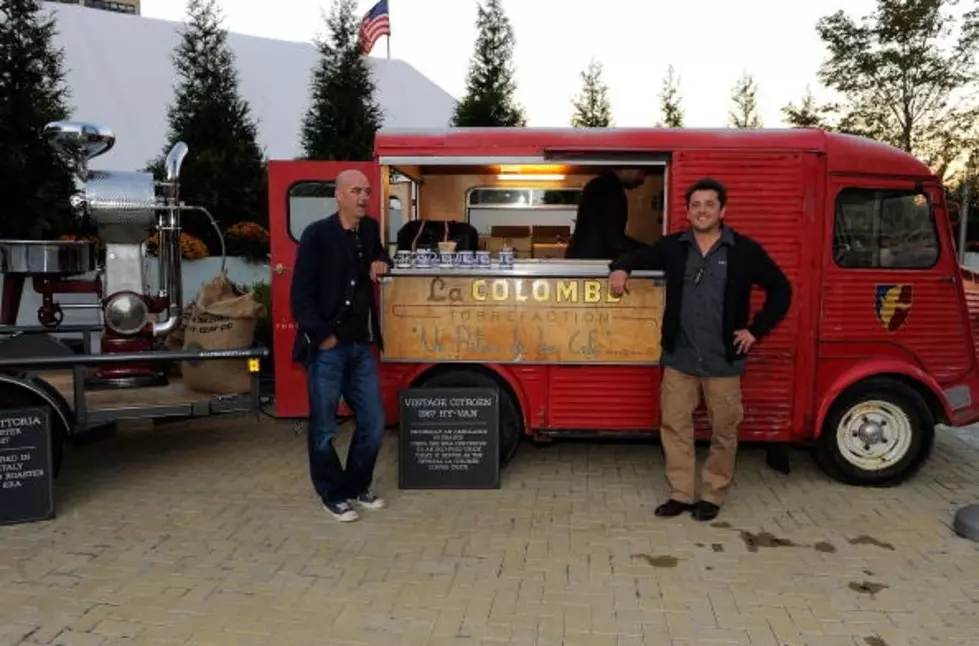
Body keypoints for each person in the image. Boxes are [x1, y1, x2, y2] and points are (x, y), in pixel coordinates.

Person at [608, 177, 791, 521]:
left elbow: (781, 289)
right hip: (681, 358)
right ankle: (680, 494)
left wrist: (755, 330)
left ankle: (713, 495)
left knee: (724, 432)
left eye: (709, 204)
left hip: (724, 360)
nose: (702, 210)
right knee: (675, 427)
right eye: (695, 205)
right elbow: (638, 253)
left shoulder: (744, 250)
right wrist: (620, 267)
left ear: (723, 210)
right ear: (688, 211)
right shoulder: (674, 246)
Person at [290, 168, 393, 522]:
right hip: (329, 348)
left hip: (361, 347)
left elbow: (381, 255)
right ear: (339, 195)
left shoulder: (368, 229)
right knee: (324, 427)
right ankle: (331, 493)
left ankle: (356, 485)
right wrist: (324, 338)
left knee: (374, 423)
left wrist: (383, 260)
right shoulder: (317, 235)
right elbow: (300, 296)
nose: (364, 197)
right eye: (356, 191)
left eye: (366, 191)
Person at [565, 168, 648, 259]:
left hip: (584, 256)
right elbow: (614, 239)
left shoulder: (601, 185)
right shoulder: (611, 189)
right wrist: (649, 251)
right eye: (641, 172)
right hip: (593, 259)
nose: (642, 179)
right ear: (628, 167)